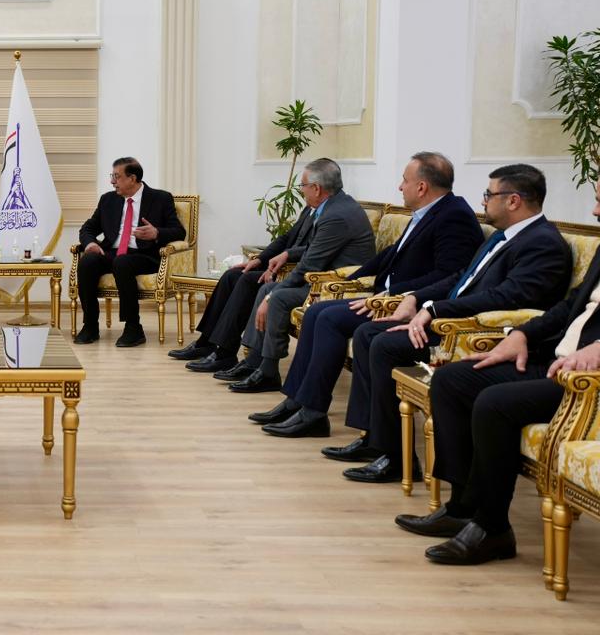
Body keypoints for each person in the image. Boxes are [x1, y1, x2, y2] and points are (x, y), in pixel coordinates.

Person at [325, 164, 572, 484]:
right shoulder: (504, 236)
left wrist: (434, 310)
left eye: (488, 194)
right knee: (369, 333)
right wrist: (418, 299)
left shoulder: (543, 243)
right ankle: (376, 439)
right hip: (451, 320)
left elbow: (506, 298)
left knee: (383, 343)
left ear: (513, 200)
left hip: (475, 334)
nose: (483, 201)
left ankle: (395, 458)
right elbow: (461, 278)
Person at [395, 182, 600, 565]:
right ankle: (462, 508)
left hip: (587, 385)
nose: (594, 211)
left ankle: (492, 529)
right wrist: (521, 334)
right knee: (453, 379)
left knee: (494, 402)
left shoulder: (544, 242)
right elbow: (569, 307)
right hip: (553, 359)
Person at [252, 152, 484, 436]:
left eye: (405, 180)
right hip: (386, 298)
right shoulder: (430, 212)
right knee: (316, 312)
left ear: (422, 187)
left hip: (407, 306)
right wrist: (351, 280)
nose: (400, 186)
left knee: (328, 319)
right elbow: (392, 254)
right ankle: (296, 401)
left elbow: (450, 275)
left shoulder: (454, 216)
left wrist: (394, 295)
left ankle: (313, 413)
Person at [221, 158, 377, 393]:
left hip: (338, 286)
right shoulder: (333, 206)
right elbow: (313, 251)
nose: (301, 190)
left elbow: (309, 264)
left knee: (276, 296)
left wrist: (271, 297)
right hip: (323, 277)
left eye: (302, 185)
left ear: (316, 188)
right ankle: (256, 362)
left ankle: (268, 371)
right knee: (267, 289)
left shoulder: (337, 215)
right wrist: (285, 259)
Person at [171, 208, 315, 370]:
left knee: (247, 281)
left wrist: (285, 257)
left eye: (305, 191)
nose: (303, 194)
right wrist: (259, 260)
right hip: (279, 268)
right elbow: (286, 238)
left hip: (294, 275)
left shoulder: (329, 215)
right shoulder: (310, 209)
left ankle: (225, 353)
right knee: (231, 275)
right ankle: (205, 343)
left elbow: (312, 250)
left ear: (318, 192)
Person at [75, 157, 186, 347]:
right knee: (88, 261)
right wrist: (90, 243)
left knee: (122, 262)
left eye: (116, 177)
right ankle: (90, 325)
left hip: (145, 255)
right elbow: (88, 228)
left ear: (132, 178)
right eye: (112, 176)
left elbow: (179, 232)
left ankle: (133, 327)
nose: (112, 181)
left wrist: (156, 233)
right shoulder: (108, 199)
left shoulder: (160, 198)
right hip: (113, 252)